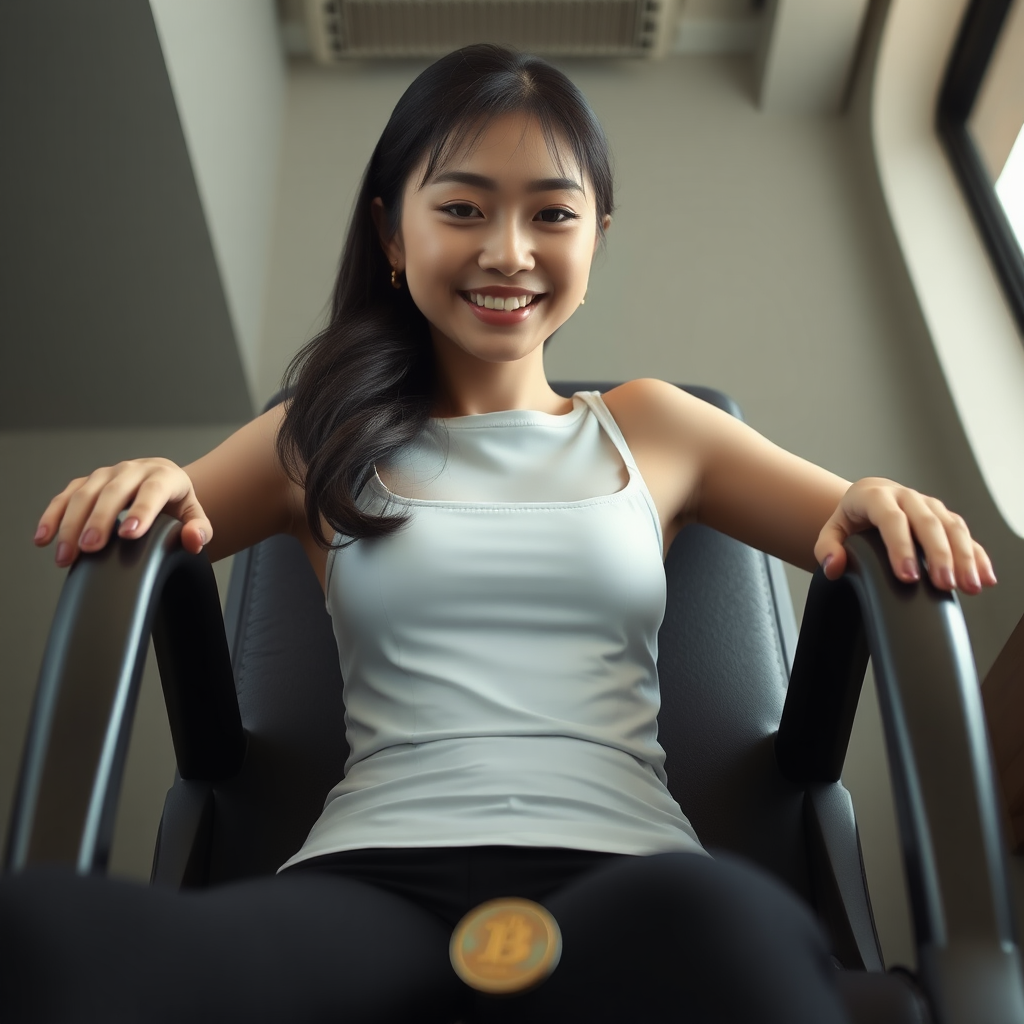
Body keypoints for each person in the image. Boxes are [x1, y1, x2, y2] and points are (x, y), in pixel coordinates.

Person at [3, 43, 996, 1024]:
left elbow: (845, 519)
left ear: (596, 238)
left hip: (629, 875)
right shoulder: (315, 436)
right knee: (40, 931)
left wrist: (881, 503)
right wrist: (150, 482)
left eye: (552, 214)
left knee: (743, 931)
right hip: (369, 883)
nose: (508, 250)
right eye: (463, 208)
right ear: (393, 235)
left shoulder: (657, 427)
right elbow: (172, 509)